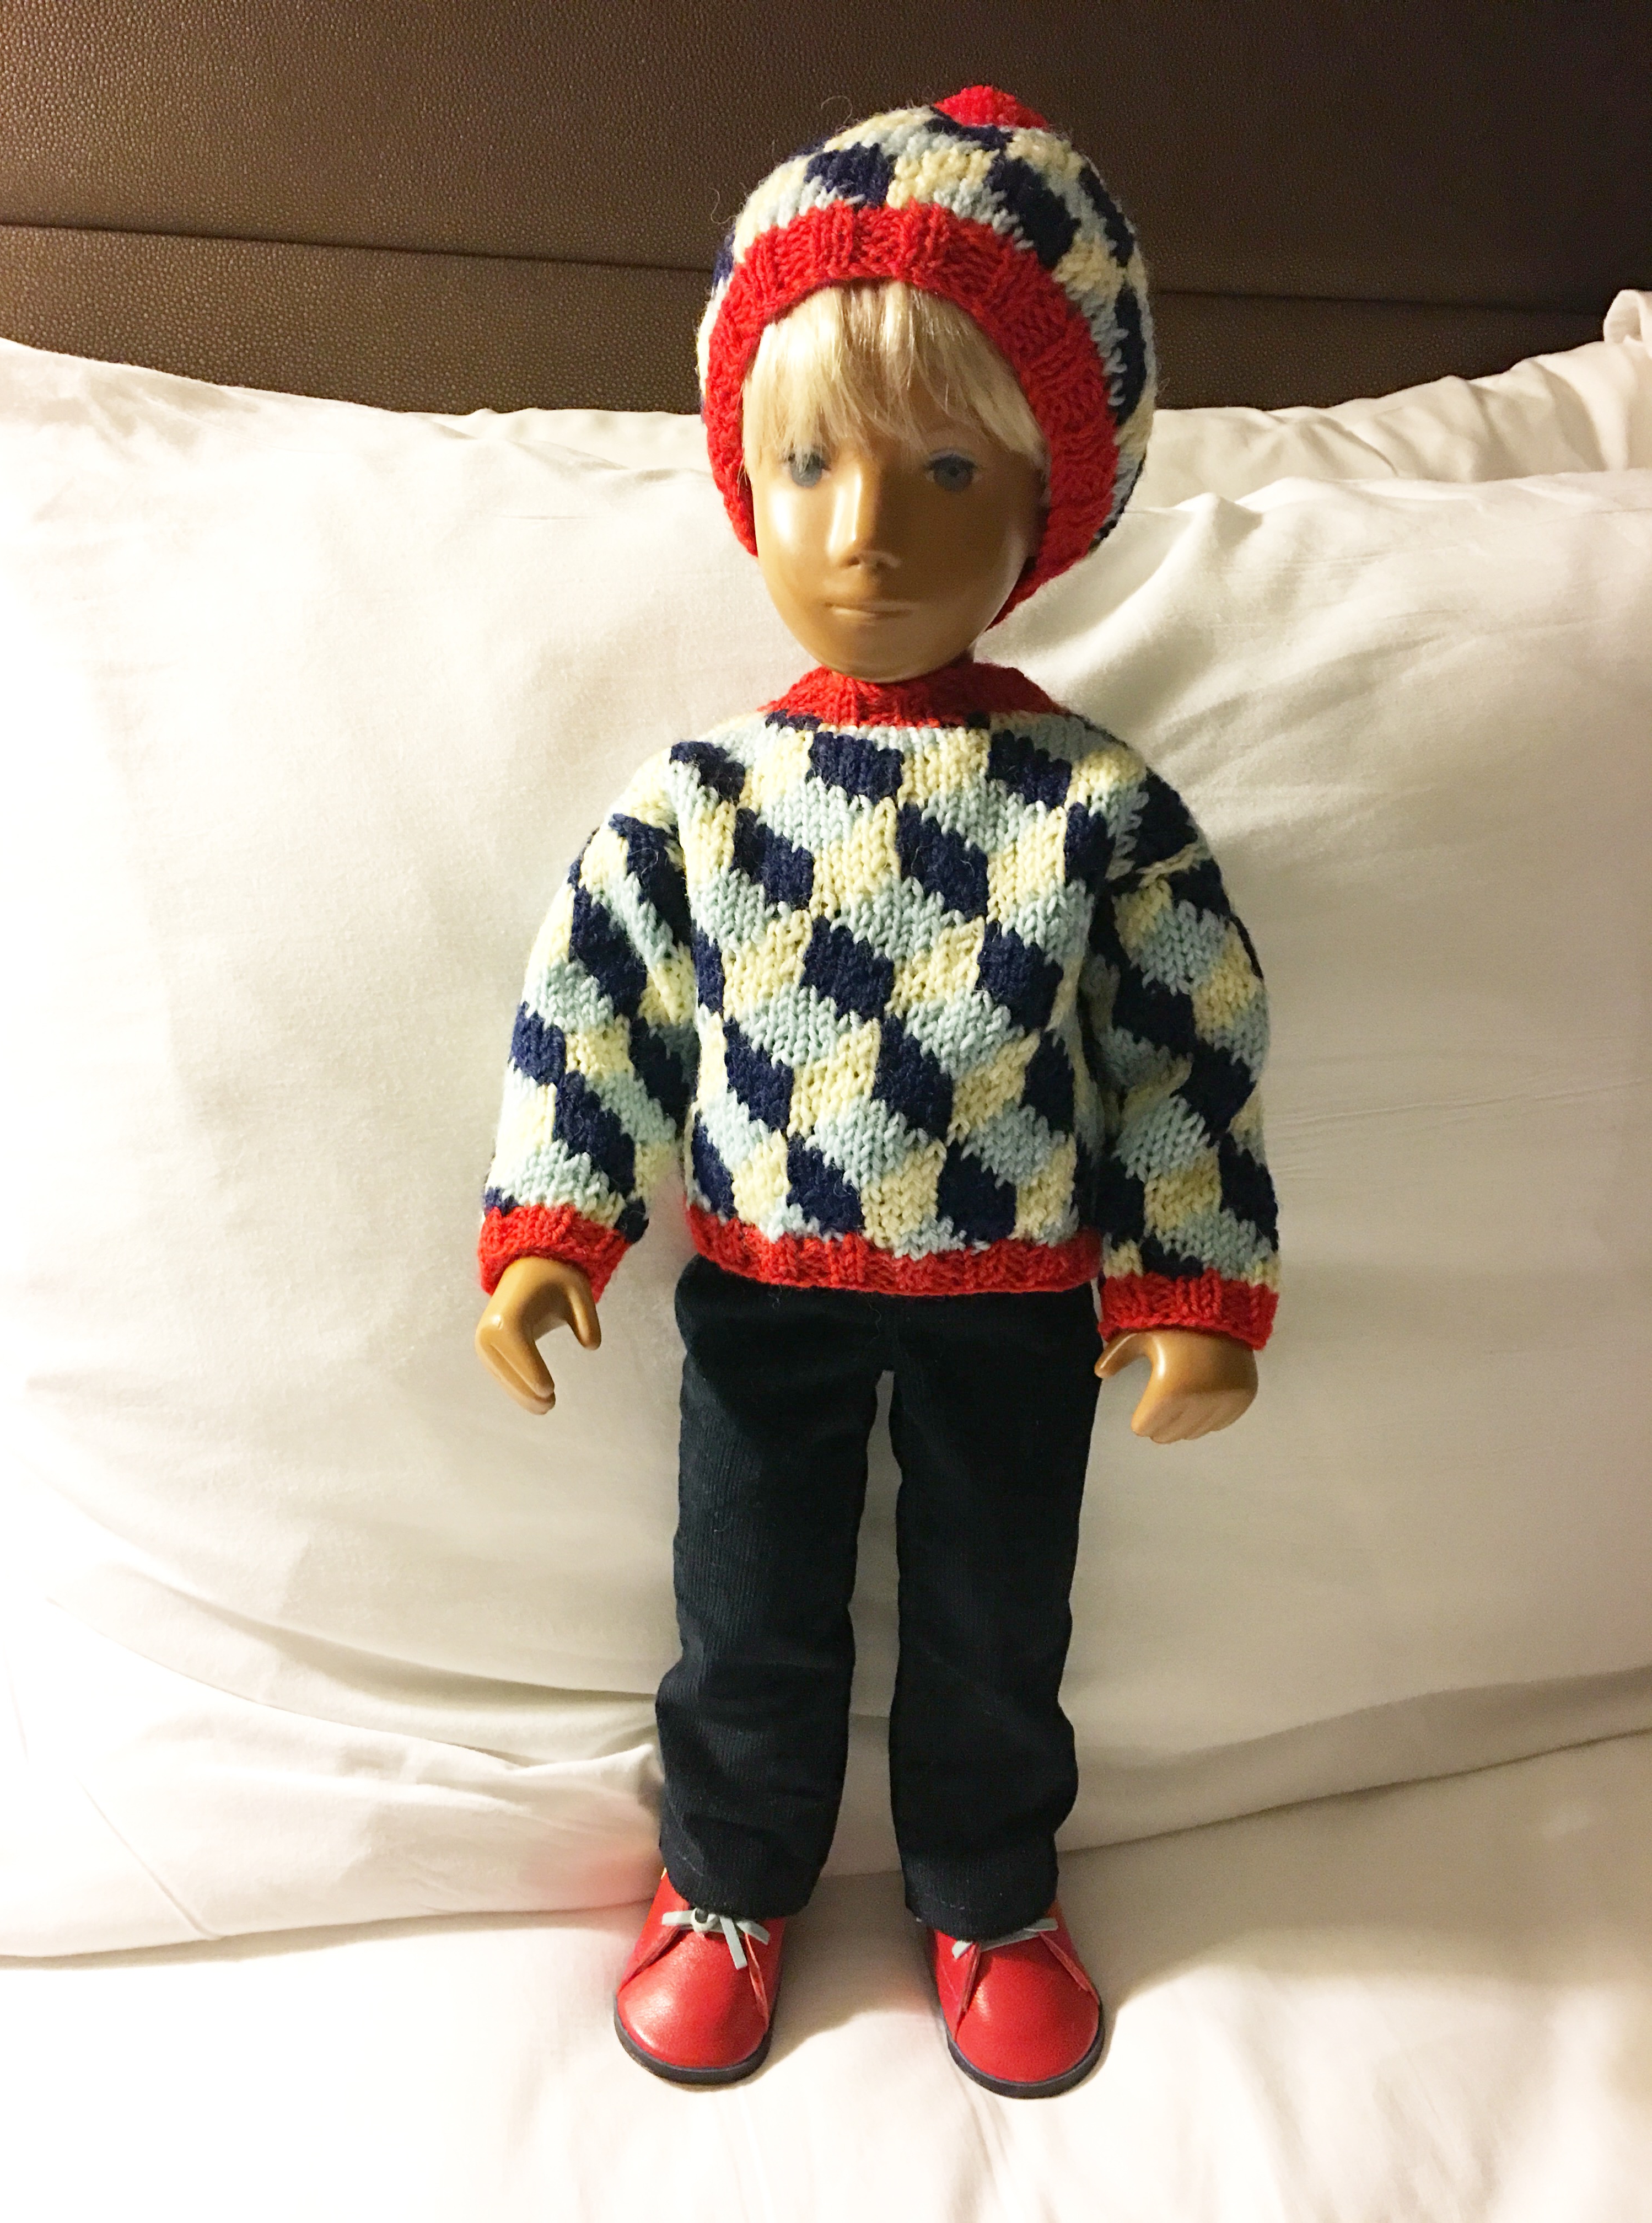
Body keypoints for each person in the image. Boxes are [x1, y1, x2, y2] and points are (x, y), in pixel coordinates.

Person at [475, 86, 1278, 2097]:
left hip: (1021, 1303)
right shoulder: (707, 801)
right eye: (808, 463)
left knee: (1000, 1622)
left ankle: (991, 1891)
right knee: (744, 1611)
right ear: (743, 479)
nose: (866, 534)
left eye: (944, 469)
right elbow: (601, 1004)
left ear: (1046, 503)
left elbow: (1183, 1039)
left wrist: (1189, 1282)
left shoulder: (1095, 810)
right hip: (764, 1290)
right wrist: (557, 1225)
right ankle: (727, 1879)